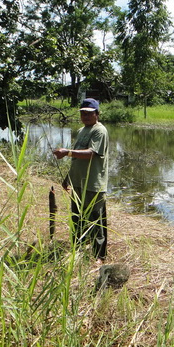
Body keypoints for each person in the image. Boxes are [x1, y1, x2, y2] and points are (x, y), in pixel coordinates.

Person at [53, 98, 109, 261]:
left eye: (89, 113)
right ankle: (78, 251)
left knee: (96, 221)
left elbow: (92, 153)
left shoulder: (100, 131)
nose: (85, 116)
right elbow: (77, 157)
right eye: (83, 113)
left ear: (97, 114)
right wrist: (68, 178)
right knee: (77, 218)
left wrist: (67, 152)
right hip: (78, 183)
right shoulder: (82, 130)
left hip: (93, 184)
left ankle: (99, 257)